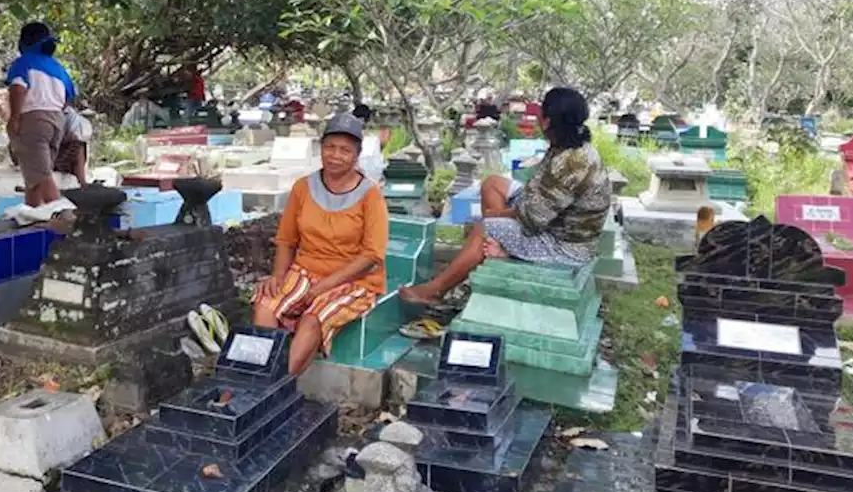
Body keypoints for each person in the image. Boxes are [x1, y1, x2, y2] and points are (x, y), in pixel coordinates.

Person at [399, 87, 611, 307]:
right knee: (492, 183)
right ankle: (493, 250)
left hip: (563, 245)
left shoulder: (572, 162)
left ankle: (436, 290)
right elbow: (538, 193)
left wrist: (498, 215)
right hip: (547, 214)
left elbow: (534, 219)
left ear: (547, 121)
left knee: (486, 226)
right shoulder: (567, 146)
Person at [252, 113, 388, 375]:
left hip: (355, 279)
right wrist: (278, 276)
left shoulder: (370, 195)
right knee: (266, 304)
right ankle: (256, 374)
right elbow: (286, 240)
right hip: (305, 270)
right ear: (321, 149)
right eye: (330, 147)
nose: (335, 155)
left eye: (345, 150)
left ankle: (277, 386)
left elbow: (371, 256)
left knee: (314, 316)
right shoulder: (303, 187)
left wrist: (325, 285)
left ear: (356, 156)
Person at [6, 22, 76, 207]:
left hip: (33, 121)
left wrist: (14, 119)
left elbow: (18, 88)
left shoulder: (23, 63)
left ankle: (67, 220)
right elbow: (69, 97)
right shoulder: (59, 68)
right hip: (57, 122)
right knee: (35, 175)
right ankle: (33, 214)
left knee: (42, 177)